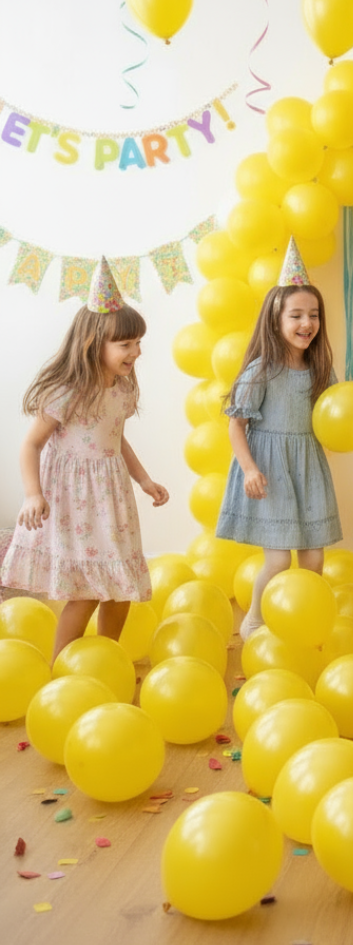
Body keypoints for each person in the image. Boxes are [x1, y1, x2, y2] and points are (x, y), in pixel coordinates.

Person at [0, 258, 168, 660]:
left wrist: (143, 480)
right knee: (85, 593)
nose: (136, 352)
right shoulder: (68, 391)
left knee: (121, 589)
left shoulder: (122, 389)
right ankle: (63, 666)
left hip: (112, 499)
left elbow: (117, 440)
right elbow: (31, 445)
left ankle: (106, 658)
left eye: (138, 343)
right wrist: (32, 494)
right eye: (126, 344)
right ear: (95, 343)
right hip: (75, 503)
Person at [217, 239, 343, 640]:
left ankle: (304, 621)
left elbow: (336, 415)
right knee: (276, 561)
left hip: (306, 468)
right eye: (296, 316)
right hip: (271, 470)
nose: (307, 324)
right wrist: (250, 468)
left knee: (314, 560)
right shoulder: (261, 370)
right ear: (276, 321)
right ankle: (255, 617)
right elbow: (236, 424)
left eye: (313, 315)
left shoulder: (321, 369)